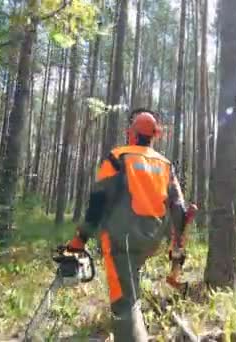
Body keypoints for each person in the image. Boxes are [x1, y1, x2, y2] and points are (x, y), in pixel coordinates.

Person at [65, 108, 189, 341]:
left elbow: (97, 203)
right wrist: (177, 244)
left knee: (124, 303)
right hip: (151, 241)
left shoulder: (118, 157)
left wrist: (79, 240)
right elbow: (179, 207)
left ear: (131, 133)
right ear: (154, 136)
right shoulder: (164, 164)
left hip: (120, 242)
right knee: (131, 282)